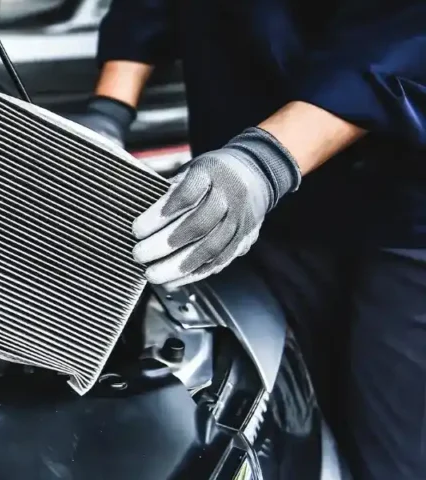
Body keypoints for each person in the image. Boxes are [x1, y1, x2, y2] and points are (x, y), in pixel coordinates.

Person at [67, 1, 426, 478]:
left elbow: (407, 36)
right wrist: (107, 114)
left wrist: (264, 161)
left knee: (394, 448)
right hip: (274, 212)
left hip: (403, 209)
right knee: (298, 423)